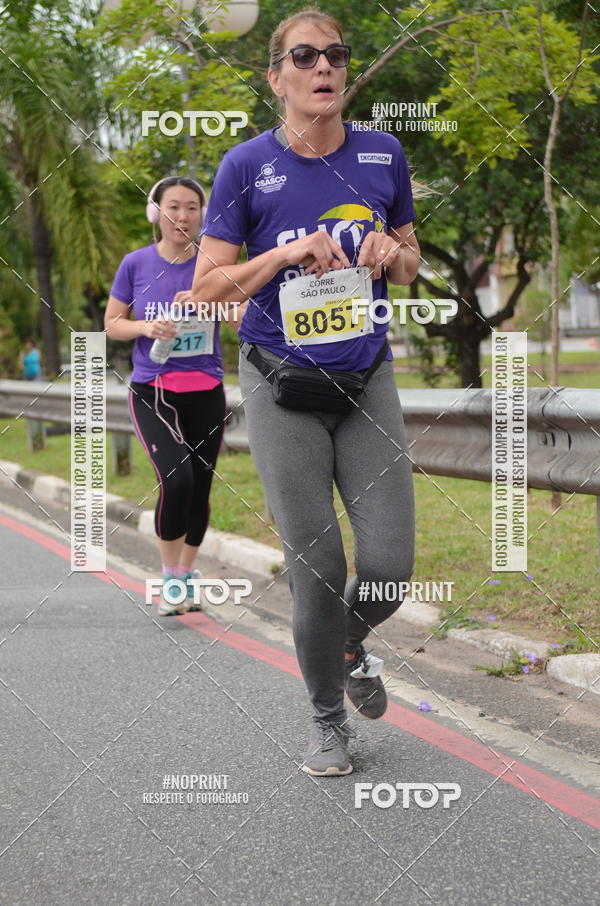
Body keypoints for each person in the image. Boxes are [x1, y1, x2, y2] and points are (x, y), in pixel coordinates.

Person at [192, 7, 420, 776]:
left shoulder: (385, 155)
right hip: (279, 382)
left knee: (387, 563)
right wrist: (286, 253)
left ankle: (349, 641)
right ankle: (327, 718)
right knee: (317, 564)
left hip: (367, 380)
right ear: (277, 77)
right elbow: (206, 287)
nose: (323, 68)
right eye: (304, 56)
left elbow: (411, 257)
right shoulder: (243, 166)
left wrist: (396, 252)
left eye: (335, 56)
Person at [105, 176, 226, 616]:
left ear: (202, 215)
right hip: (153, 390)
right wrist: (145, 327)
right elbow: (112, 323)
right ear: (156, 213)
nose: (183, 216)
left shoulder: (214, 264)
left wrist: (213, 304)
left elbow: (240, 313)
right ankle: (170, 575)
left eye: (192, 207)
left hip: (207, 391)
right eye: (173, 206)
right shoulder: (135, 264)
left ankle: (187, 572)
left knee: (200, 488)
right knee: (176, 481)